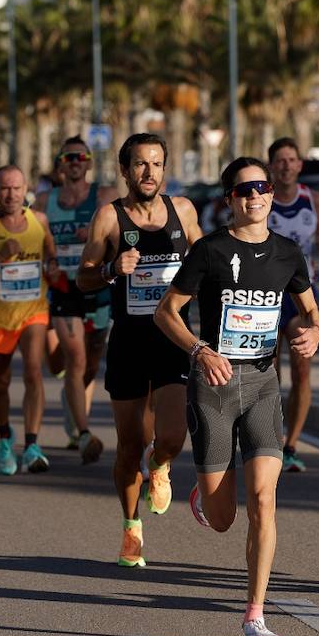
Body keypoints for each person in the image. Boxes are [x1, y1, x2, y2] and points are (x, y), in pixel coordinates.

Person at [155, 156, 319, 636]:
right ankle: (205, 497)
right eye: (244, 190)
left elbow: (311, 312)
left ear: (272, 194)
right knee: (225, 517)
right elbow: (167, 313)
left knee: (265, 502)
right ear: (230, 199)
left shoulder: (288, 253)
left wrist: (314, 333)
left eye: (262, 187)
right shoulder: (210, 251)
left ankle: (255, 614)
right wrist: (200, 350)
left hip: (264, 384)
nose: (255, 197)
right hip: (213, 385)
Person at [77, 133, 201, 568]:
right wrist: (112, 269)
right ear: (125, 170)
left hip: (172, 340)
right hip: (128, 342)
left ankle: (161, 463)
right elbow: (84, 278)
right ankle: (132, 528)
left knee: (171, 436)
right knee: (129, 444)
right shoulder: (109, 218)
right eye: (140, 164)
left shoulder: (182, 210)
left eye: (156, 164)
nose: (149, 172)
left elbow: (206, 263)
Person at [0, 165, 61, 475]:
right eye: (5, 188)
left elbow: (51, 254)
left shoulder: (39, 221)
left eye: (16, 188)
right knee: (0, 383)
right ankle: (5, 437)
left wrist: (54, 268)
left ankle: (32, 445)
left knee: (33, 372)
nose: (11, 194)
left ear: (26, 189)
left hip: (33, 312)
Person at [35, 137, 114, 463]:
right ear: (60, 164)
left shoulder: (104, 197)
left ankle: (73, 404)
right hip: (63, 290)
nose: (75, 162)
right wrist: (46, 262)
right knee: (75, 359)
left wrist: (96, 236)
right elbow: (31, 241)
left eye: (81, 156)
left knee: (91, 363)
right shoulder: (44, 201)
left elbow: (121, 234)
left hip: (97, 289)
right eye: (69, 157)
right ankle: (83, 434)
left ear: (89, 163)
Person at [265, 137, 319, 472]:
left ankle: (290, 445)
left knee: (302, 370)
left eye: (291, 160)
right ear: (271, 166)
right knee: (269, 373)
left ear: (299, 165)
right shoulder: (261, 199)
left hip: (301, 297)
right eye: (280, 160)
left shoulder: (313, 199)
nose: (286, 166)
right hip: (265, 296)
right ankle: (271, 441)